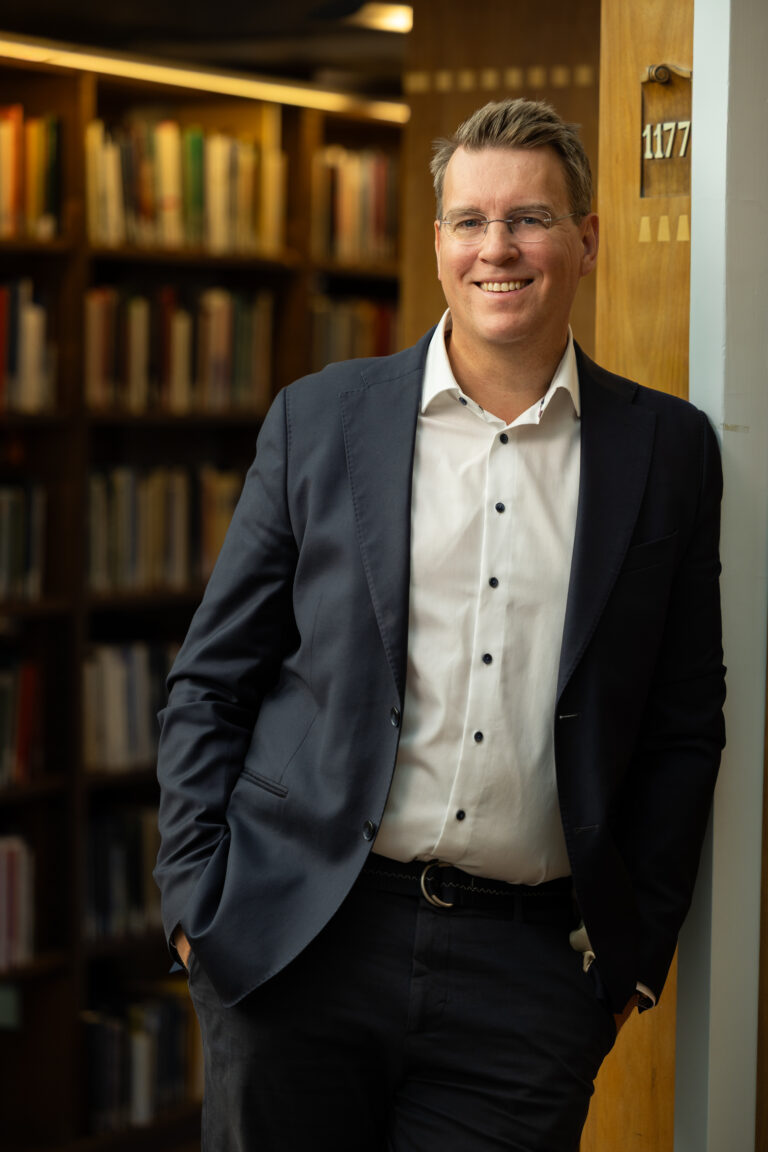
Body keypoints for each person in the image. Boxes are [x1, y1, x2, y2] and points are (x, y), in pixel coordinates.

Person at [154, 97, 726, 1151]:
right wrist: (198, 908)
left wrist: (631, 963)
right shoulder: (321, 419)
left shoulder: (670, 452)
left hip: (527, 981)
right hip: (298, 946)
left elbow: (685, 723)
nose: (496, 248)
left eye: (530, 219)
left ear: (587, 240)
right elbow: (212, 679)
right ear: (437, 243)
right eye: (470, 220)